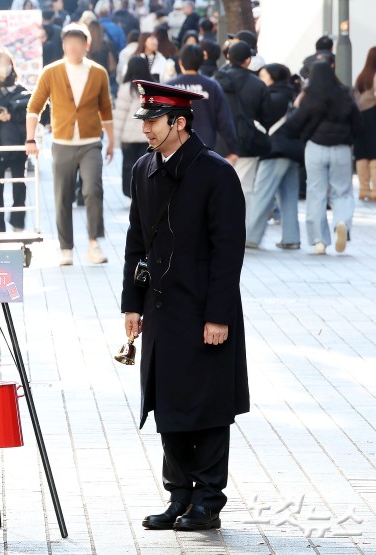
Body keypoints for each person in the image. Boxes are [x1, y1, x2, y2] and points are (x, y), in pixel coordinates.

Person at [121, 80, 249, 533]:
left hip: (204, 311)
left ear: (179, 123)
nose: (146, 131)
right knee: (168, 402)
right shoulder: (143, 169)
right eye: (145, 122)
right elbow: (136, 241)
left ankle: (208, 500)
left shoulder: (216, 173)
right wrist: (130, 304)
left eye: (153, 122)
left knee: (208, 406)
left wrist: (218, 315)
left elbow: (228, 250)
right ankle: (178, 494)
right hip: (160, 309)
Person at [26, 23, 114, 266]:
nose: (73, 47)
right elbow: (34, 106)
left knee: (93, 190)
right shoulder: (51, 72)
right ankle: (66, 248)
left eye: (78, 43)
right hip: (62, 143)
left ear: (86, 45)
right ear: (64, 45)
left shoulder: (98, 72)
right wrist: (30, 138)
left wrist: (111, 141)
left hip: (90, 143)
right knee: (62, 196)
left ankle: (94, 243)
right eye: (69, 43)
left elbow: (106, 109)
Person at [286, 62, 362, 255]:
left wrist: (296, 107)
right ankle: (341, 221)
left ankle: (319, 240)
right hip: (342, 149)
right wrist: (349, 140)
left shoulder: (310, 96)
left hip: (316, 147)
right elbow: (358, 124)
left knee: (316, 192)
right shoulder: (344, 95)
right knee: (343, 191)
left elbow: (294, 124)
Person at [245, 63, 303, 250]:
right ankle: (291, 237)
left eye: (263, 75)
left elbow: (262, 117)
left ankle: (251, 236)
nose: (260, 78)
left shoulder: (274, 97)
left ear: (273, 78)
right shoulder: (292, 94)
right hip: (292, 150)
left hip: (275, 150)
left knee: (262, 194)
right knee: (288, 196)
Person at [214, 41, 274, 204]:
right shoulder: (258, 84)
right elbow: (267, 117)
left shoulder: (215, 82)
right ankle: (242, 228)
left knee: (218, 191)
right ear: (247, 60)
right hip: (247, 142)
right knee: (244, 191)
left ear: (228, 57)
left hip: (219, 144)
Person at [0, 49, 31, 232]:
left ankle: (18, 222)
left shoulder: (22, 91)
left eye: (6, 64)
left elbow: (32, 114)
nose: (3, 69)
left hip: (17, 145)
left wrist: (12, 114)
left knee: (20, 184)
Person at [168, 44, 238, 156]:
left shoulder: (168, 86)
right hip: (204, 148)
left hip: (173, 149)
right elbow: (225, 121)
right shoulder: (211, 86)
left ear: (180, 62)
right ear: (201, 61)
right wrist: (233, 149)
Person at [113, 56, 151, 197]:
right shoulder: (152, 87)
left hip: (128, 137)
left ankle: (130, 193)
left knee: (129, 166)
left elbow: (120, 115)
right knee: (147, 167)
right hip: (148, 136)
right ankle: (143, 193)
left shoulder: (126, 88)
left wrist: (115, 141)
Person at [353, 46, 376, 201]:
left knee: (362, 153)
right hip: (373, 115)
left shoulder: (360, 76)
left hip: (360, 115)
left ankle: (364, 189)